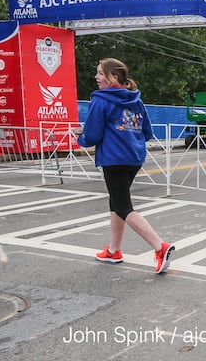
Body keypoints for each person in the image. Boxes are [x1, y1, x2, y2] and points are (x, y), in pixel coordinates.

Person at [76, 58, 174, 274]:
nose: (96, 77)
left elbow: (92, 135)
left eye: (100, 73)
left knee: (123, 206)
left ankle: (160, 247)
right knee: (117, 201)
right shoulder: (136, 100)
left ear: (114, 77)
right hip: (134, 157)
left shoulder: (100, 100)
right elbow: (147, 131)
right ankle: (114, 250)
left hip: (114, 158)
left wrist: (80, 139)